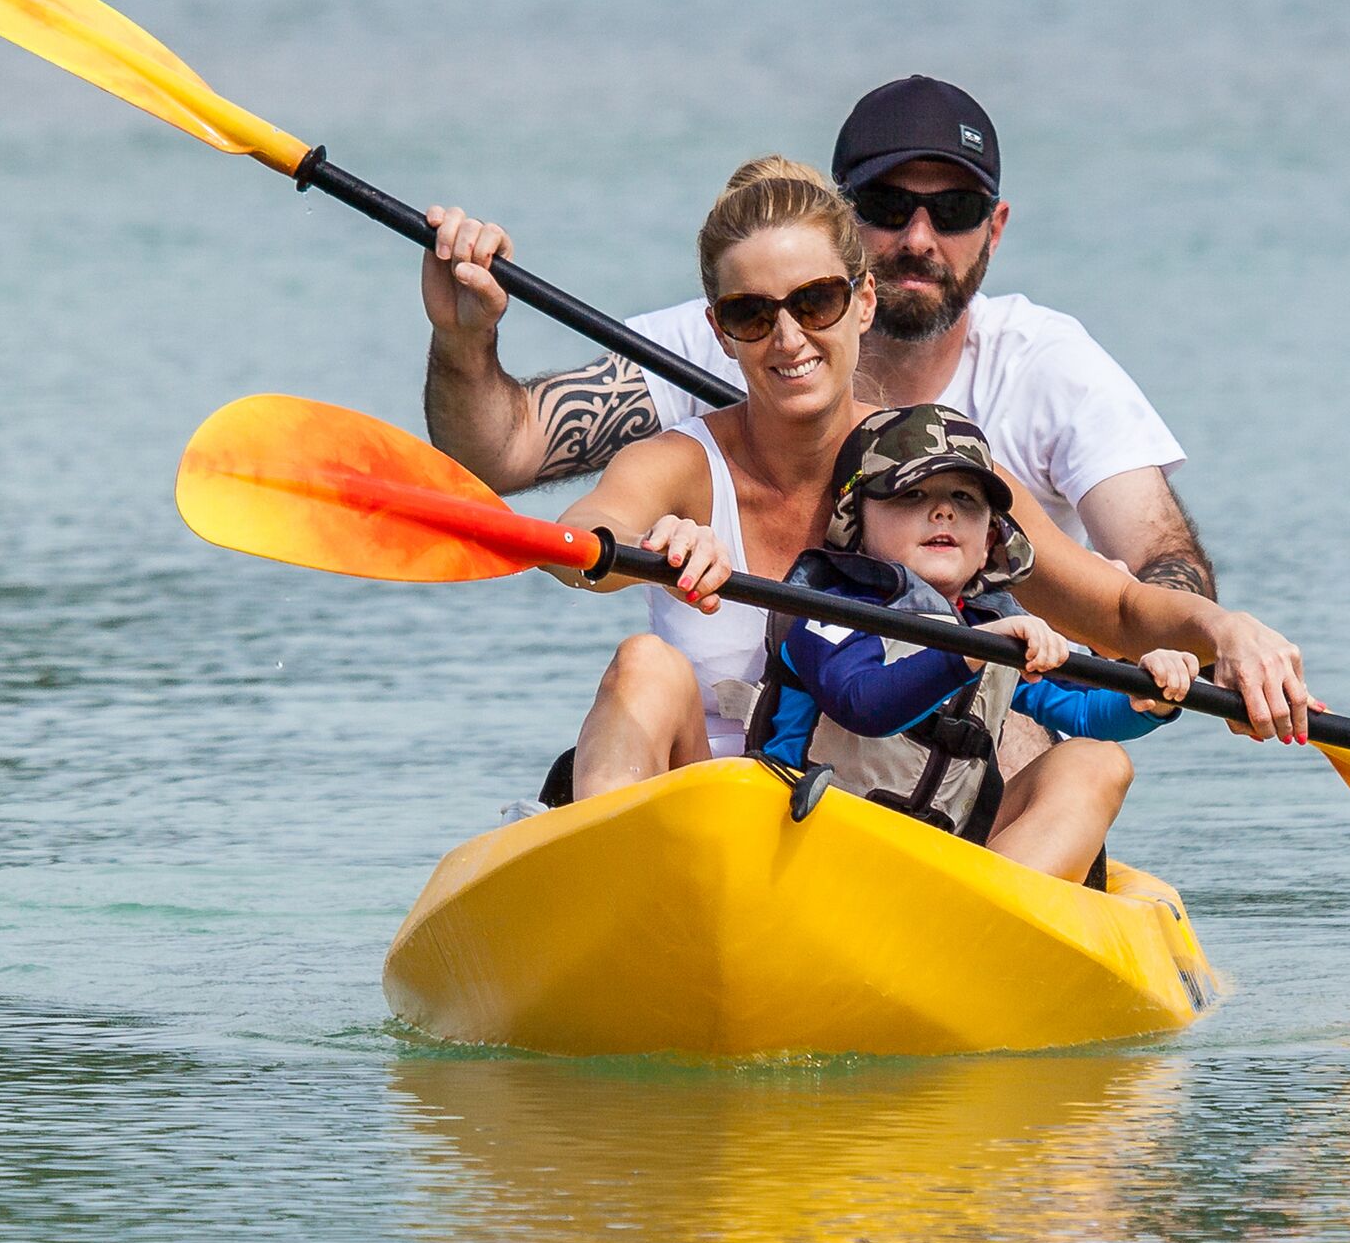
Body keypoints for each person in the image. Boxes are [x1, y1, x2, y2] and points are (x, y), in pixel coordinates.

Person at [541, 157, 1308, 799]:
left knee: (1091, 764)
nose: (788, 337)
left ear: (864, 301)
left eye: (816, 301)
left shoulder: (945, 474)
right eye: (751, 313)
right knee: (645, 664)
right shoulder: (678, 464)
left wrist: (1223, 629)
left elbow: (1115, 606)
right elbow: (579, 539)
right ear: (719, 330)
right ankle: (616, 903)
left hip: (873, 838)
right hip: (705, 816)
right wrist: (651, 543)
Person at [419, 76, 1216, 597]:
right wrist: (464, 340)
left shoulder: (1047, 367)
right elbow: (500, 455)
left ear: (997, 227)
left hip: (970, 751)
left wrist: (1182, 642)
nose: (919, 237)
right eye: (888, 203)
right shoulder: (733, 336)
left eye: (956, 210)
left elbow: (1159, 567)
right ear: (840, 216)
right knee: (644, 670)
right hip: (756, 762)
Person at [744, 405, 1200, 882]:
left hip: (939, 874)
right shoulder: (829, 612)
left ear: (988, 541)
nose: (943, 511)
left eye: (964, 498)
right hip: (811, 858)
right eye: (911, 494)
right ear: (855, 524)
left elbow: (1088, 714)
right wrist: (972, 650)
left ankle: (995, 919)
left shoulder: (994, 626)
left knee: (1097, 761)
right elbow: (863, 705)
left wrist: (1150, 695)